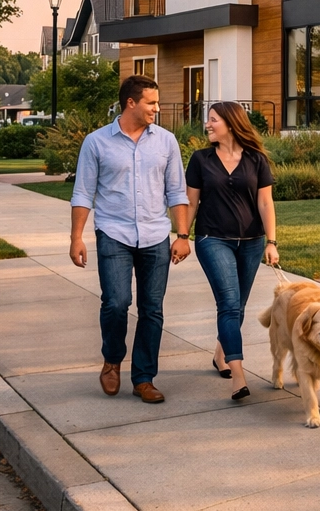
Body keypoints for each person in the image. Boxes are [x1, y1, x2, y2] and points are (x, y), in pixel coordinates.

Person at [69, 75, 190, 403]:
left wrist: (182, 234)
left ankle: (144, 378)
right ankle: (112, 359)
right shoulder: (96, 143)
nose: (157, 108)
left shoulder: (166, 141)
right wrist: (76, 238)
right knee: (117, 302)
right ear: (131, 103)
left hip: (155, 235)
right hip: (113, 233)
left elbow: (177, 191)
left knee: (152, 309)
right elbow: (83, 193)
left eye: (157, 102)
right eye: (151, 103)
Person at [184, 101, 279, 402]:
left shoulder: (256, 159)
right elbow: (191, 202)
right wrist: (182, 236)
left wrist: (272, 242)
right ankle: (238, 377)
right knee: (228, 303)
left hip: (251, 241)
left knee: (237, 306)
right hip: (213, 238)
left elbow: (265, 203)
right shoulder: (200, 159)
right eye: (208, 120)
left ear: (230, 122)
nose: (208, 125)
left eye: (213, 120)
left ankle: (220, 354)